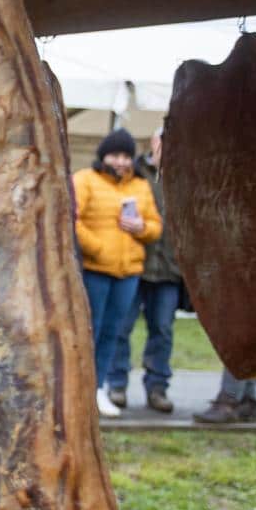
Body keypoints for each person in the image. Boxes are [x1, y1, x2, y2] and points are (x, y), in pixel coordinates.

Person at [72, 128, 160, 419]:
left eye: (126, 156)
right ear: (103, 155)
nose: (121, 161)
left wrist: (142, 229)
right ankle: (78, 391)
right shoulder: (85, 180)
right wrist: (97, 249)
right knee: (89, 331)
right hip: (95, 271)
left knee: (113, 332)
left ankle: (98, 389)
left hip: (128, 273)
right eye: (116, 155)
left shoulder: (140, 186)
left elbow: (155, 226)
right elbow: (72, 219)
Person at [107, 129, 183, 413]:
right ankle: (116, 385)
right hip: (134, 264)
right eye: (164, 140)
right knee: (121, 328)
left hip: (169, 268)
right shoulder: (133, 172)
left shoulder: (185, 176)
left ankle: (157, 388)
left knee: (162, 330)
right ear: (154, 142)